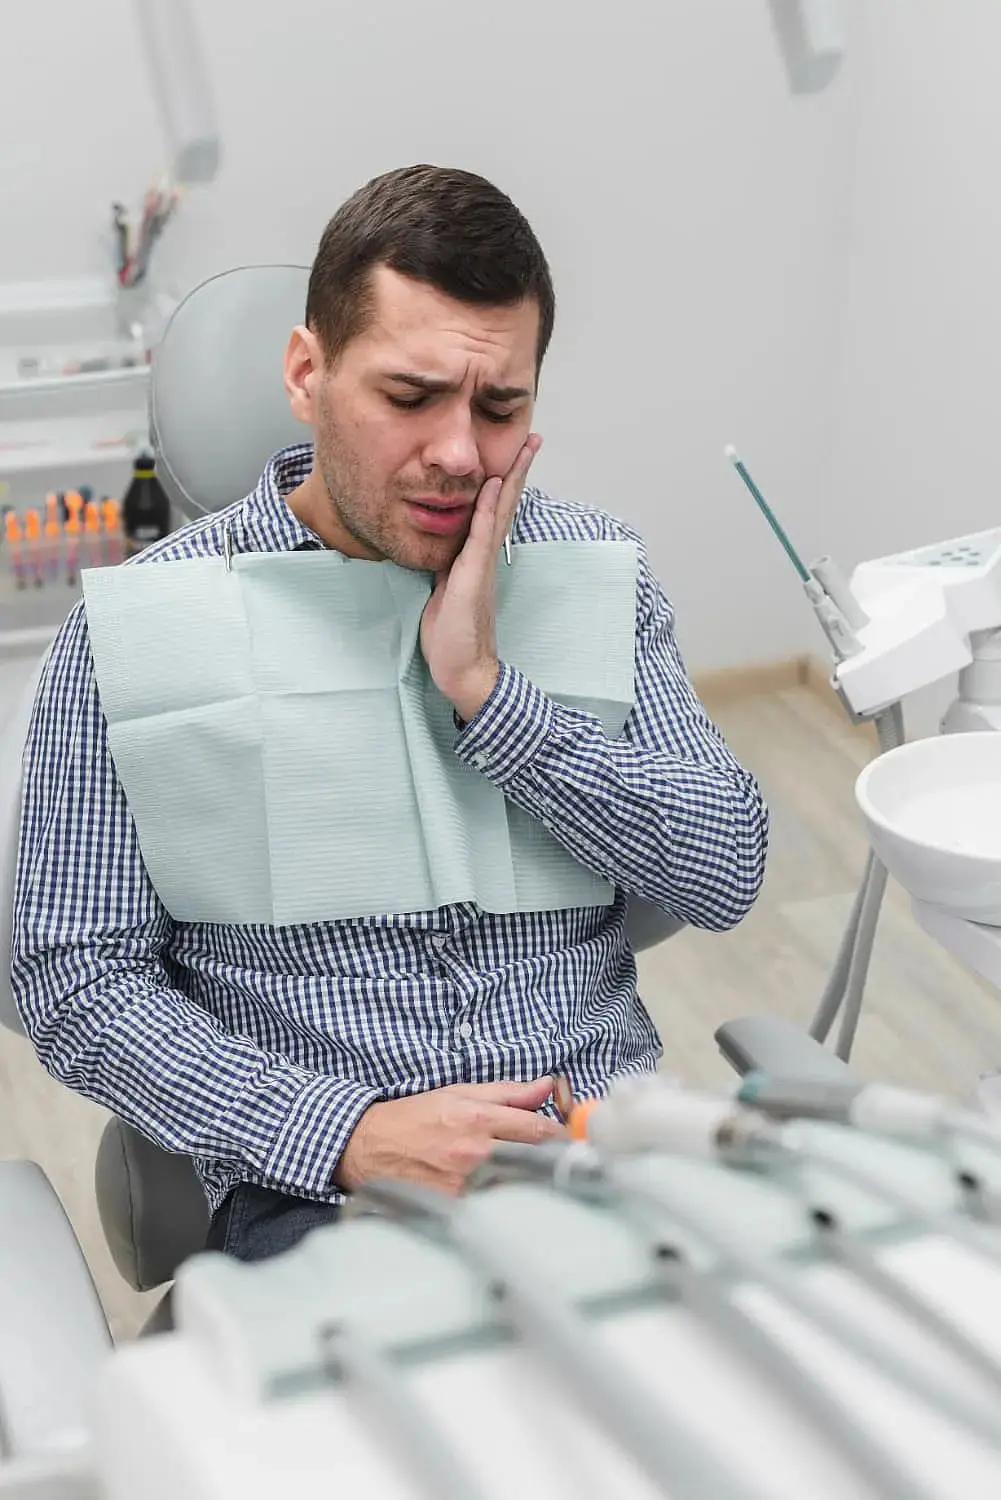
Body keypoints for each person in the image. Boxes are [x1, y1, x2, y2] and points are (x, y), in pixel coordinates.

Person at [11, 164, 768, 1266]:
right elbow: (75, 977)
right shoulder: (138, 631)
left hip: (606, 1151)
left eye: (498, 407)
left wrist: (494, 701)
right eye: (409, 399)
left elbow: (725, 870)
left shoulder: (590, 576)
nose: (458, 455)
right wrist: (345, 1135)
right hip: (322, 1193)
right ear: (306, 372)